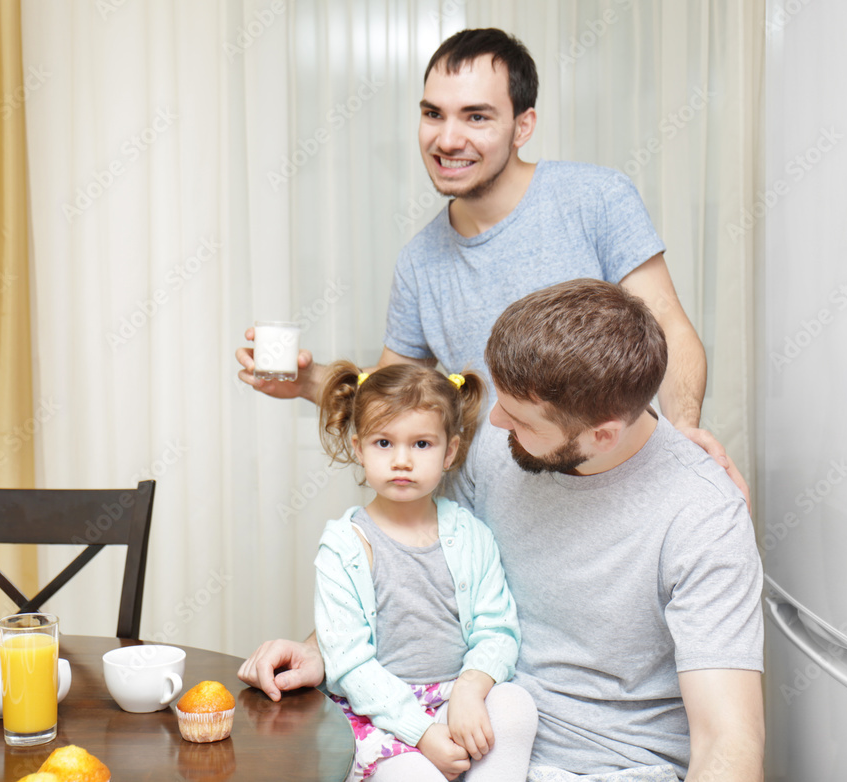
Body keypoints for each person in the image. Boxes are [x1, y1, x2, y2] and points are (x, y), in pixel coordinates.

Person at [242, 281, 764, 780]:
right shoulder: (502, 446)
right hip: (459, 732)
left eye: (519, 419)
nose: (492, 423)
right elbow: (415, 559)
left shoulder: (703, 517)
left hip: (609, 764)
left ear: (601, 435)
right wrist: (323, 646)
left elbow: (729, 742)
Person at [235, 27, 748, 501]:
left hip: (612, 508)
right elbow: (397, 394)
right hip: (490, 542)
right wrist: (305, 382)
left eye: (476, 117)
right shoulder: (419, 261)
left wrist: (684, 431)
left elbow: (668, 324)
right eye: (433, 114)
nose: (447, 139)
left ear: (523, 125)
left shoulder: (596, 198)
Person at [313, 361, 537, 781]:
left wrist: (472, 689)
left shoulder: (472, 535)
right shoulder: (343, 547)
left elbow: (497, 629)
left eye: (421, 444)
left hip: (454, 695)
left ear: (449, 451)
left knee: (515, 705)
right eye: (384, 443)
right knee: (415, 775)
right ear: (359, 448)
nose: (401, 460)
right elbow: (348, 665)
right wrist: (422, 733)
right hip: (378, 712)